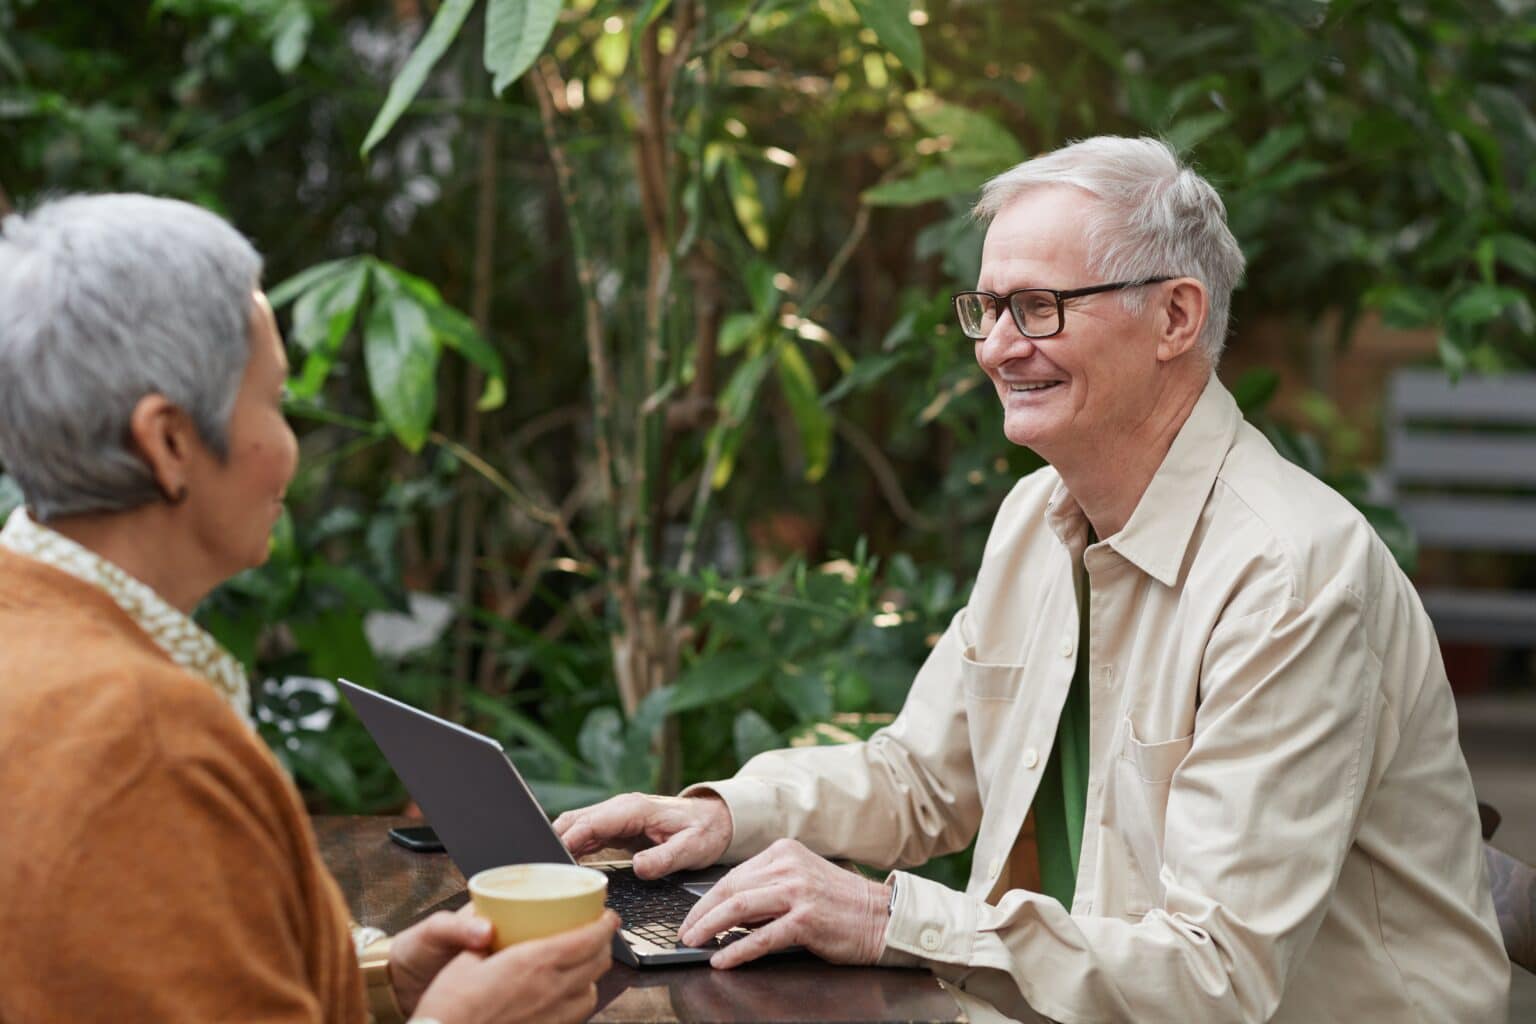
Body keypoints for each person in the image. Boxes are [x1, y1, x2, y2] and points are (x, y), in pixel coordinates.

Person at [555, 137, 1510, 1022]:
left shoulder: (1289, 575)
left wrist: (889, 918)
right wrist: (724, 817)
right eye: (988, 308)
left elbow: (1219, 974)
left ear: (1177, 315)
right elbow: (922, 778)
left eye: (1040, 307)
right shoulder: (1035, 518)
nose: (1000, 347)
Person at [0, 194, 617, 1024]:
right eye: (276, 401)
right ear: (170, 442)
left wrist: (375, 983)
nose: (291, 447)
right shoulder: (139, 735)